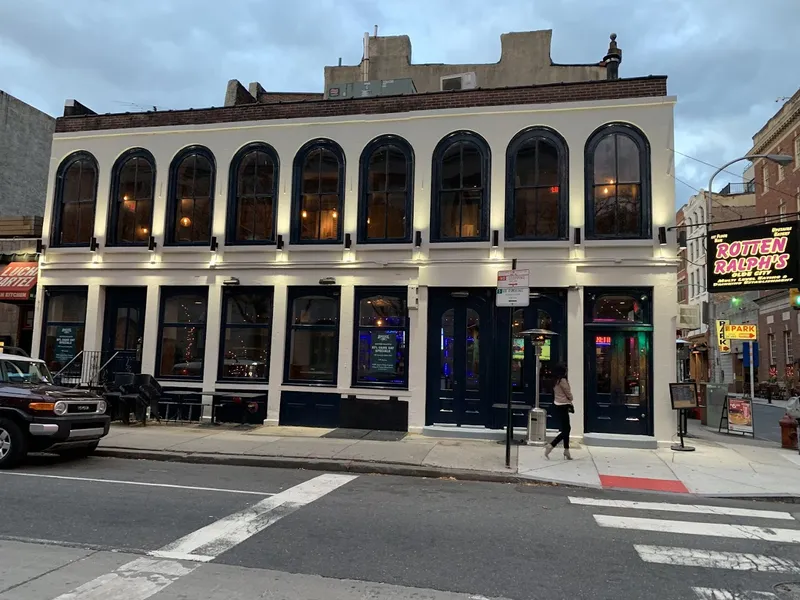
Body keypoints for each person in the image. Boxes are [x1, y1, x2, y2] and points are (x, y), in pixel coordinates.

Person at [544, 363, 574, 460]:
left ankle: (566, 450)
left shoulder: (555, 381)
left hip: (558, 404)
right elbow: (568, 393)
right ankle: (552, 445)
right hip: (564, 405)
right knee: (566, 429)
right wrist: (571, 398)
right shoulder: (562, 381)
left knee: (566, 428)